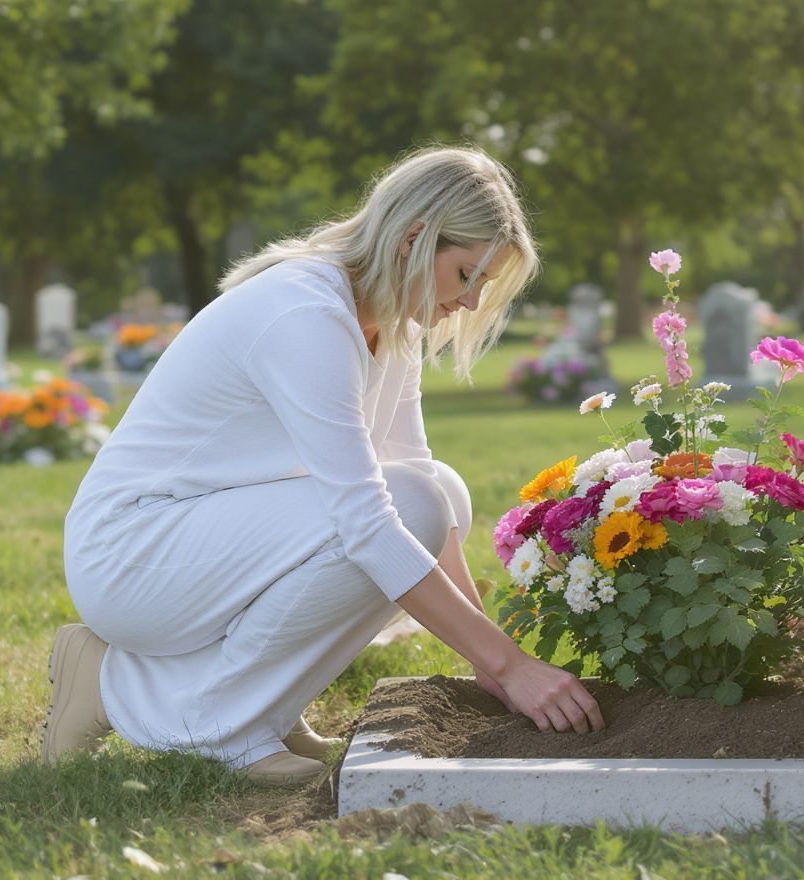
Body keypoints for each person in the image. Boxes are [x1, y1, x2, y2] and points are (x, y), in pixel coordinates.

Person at [42, 146, 604, 785]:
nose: (471, 302)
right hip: (131, 555)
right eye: (467, 275)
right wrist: (507, 665)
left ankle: (259, 707)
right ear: (415, 239)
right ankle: (212, 724)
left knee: (439, 490)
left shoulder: (392, 324)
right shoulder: (303, 312)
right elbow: (371, 520)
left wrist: (485, 656)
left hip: (199, 541)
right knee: (412, 505)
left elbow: (415, 477)